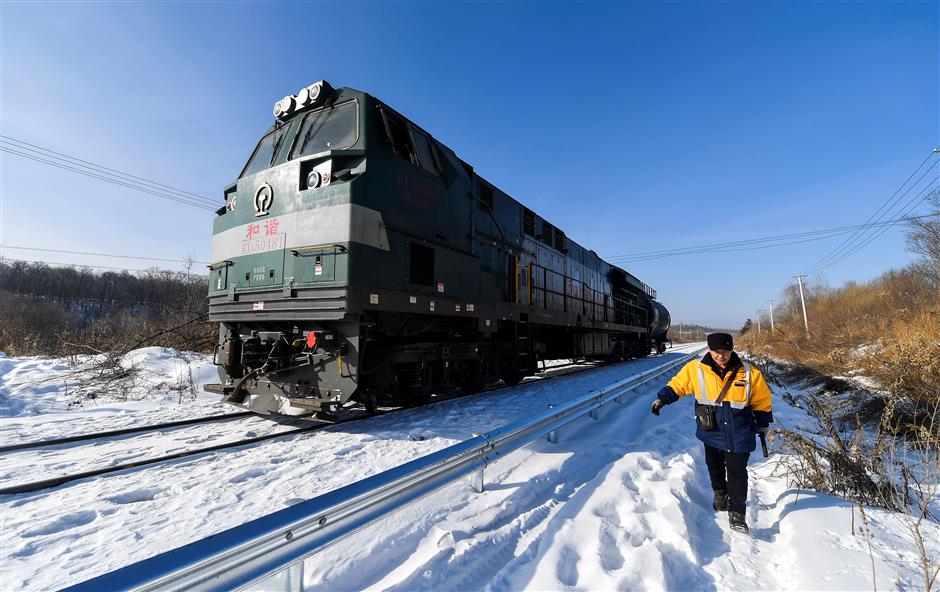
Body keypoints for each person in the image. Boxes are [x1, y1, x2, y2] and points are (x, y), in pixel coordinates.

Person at [650, 332, 773, 533]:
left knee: (737, 472)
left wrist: (763, 423)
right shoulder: (696, 369)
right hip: (712, 429)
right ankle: (720, 495)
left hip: (739, 430)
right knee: (714, 466)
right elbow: (678, 385)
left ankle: (737, 513)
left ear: (732, 350)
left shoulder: (749, 372)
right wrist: (662, 399)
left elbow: (761, 400)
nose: (721, 355)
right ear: (709, 350)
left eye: (725, 351)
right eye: (716, 351)